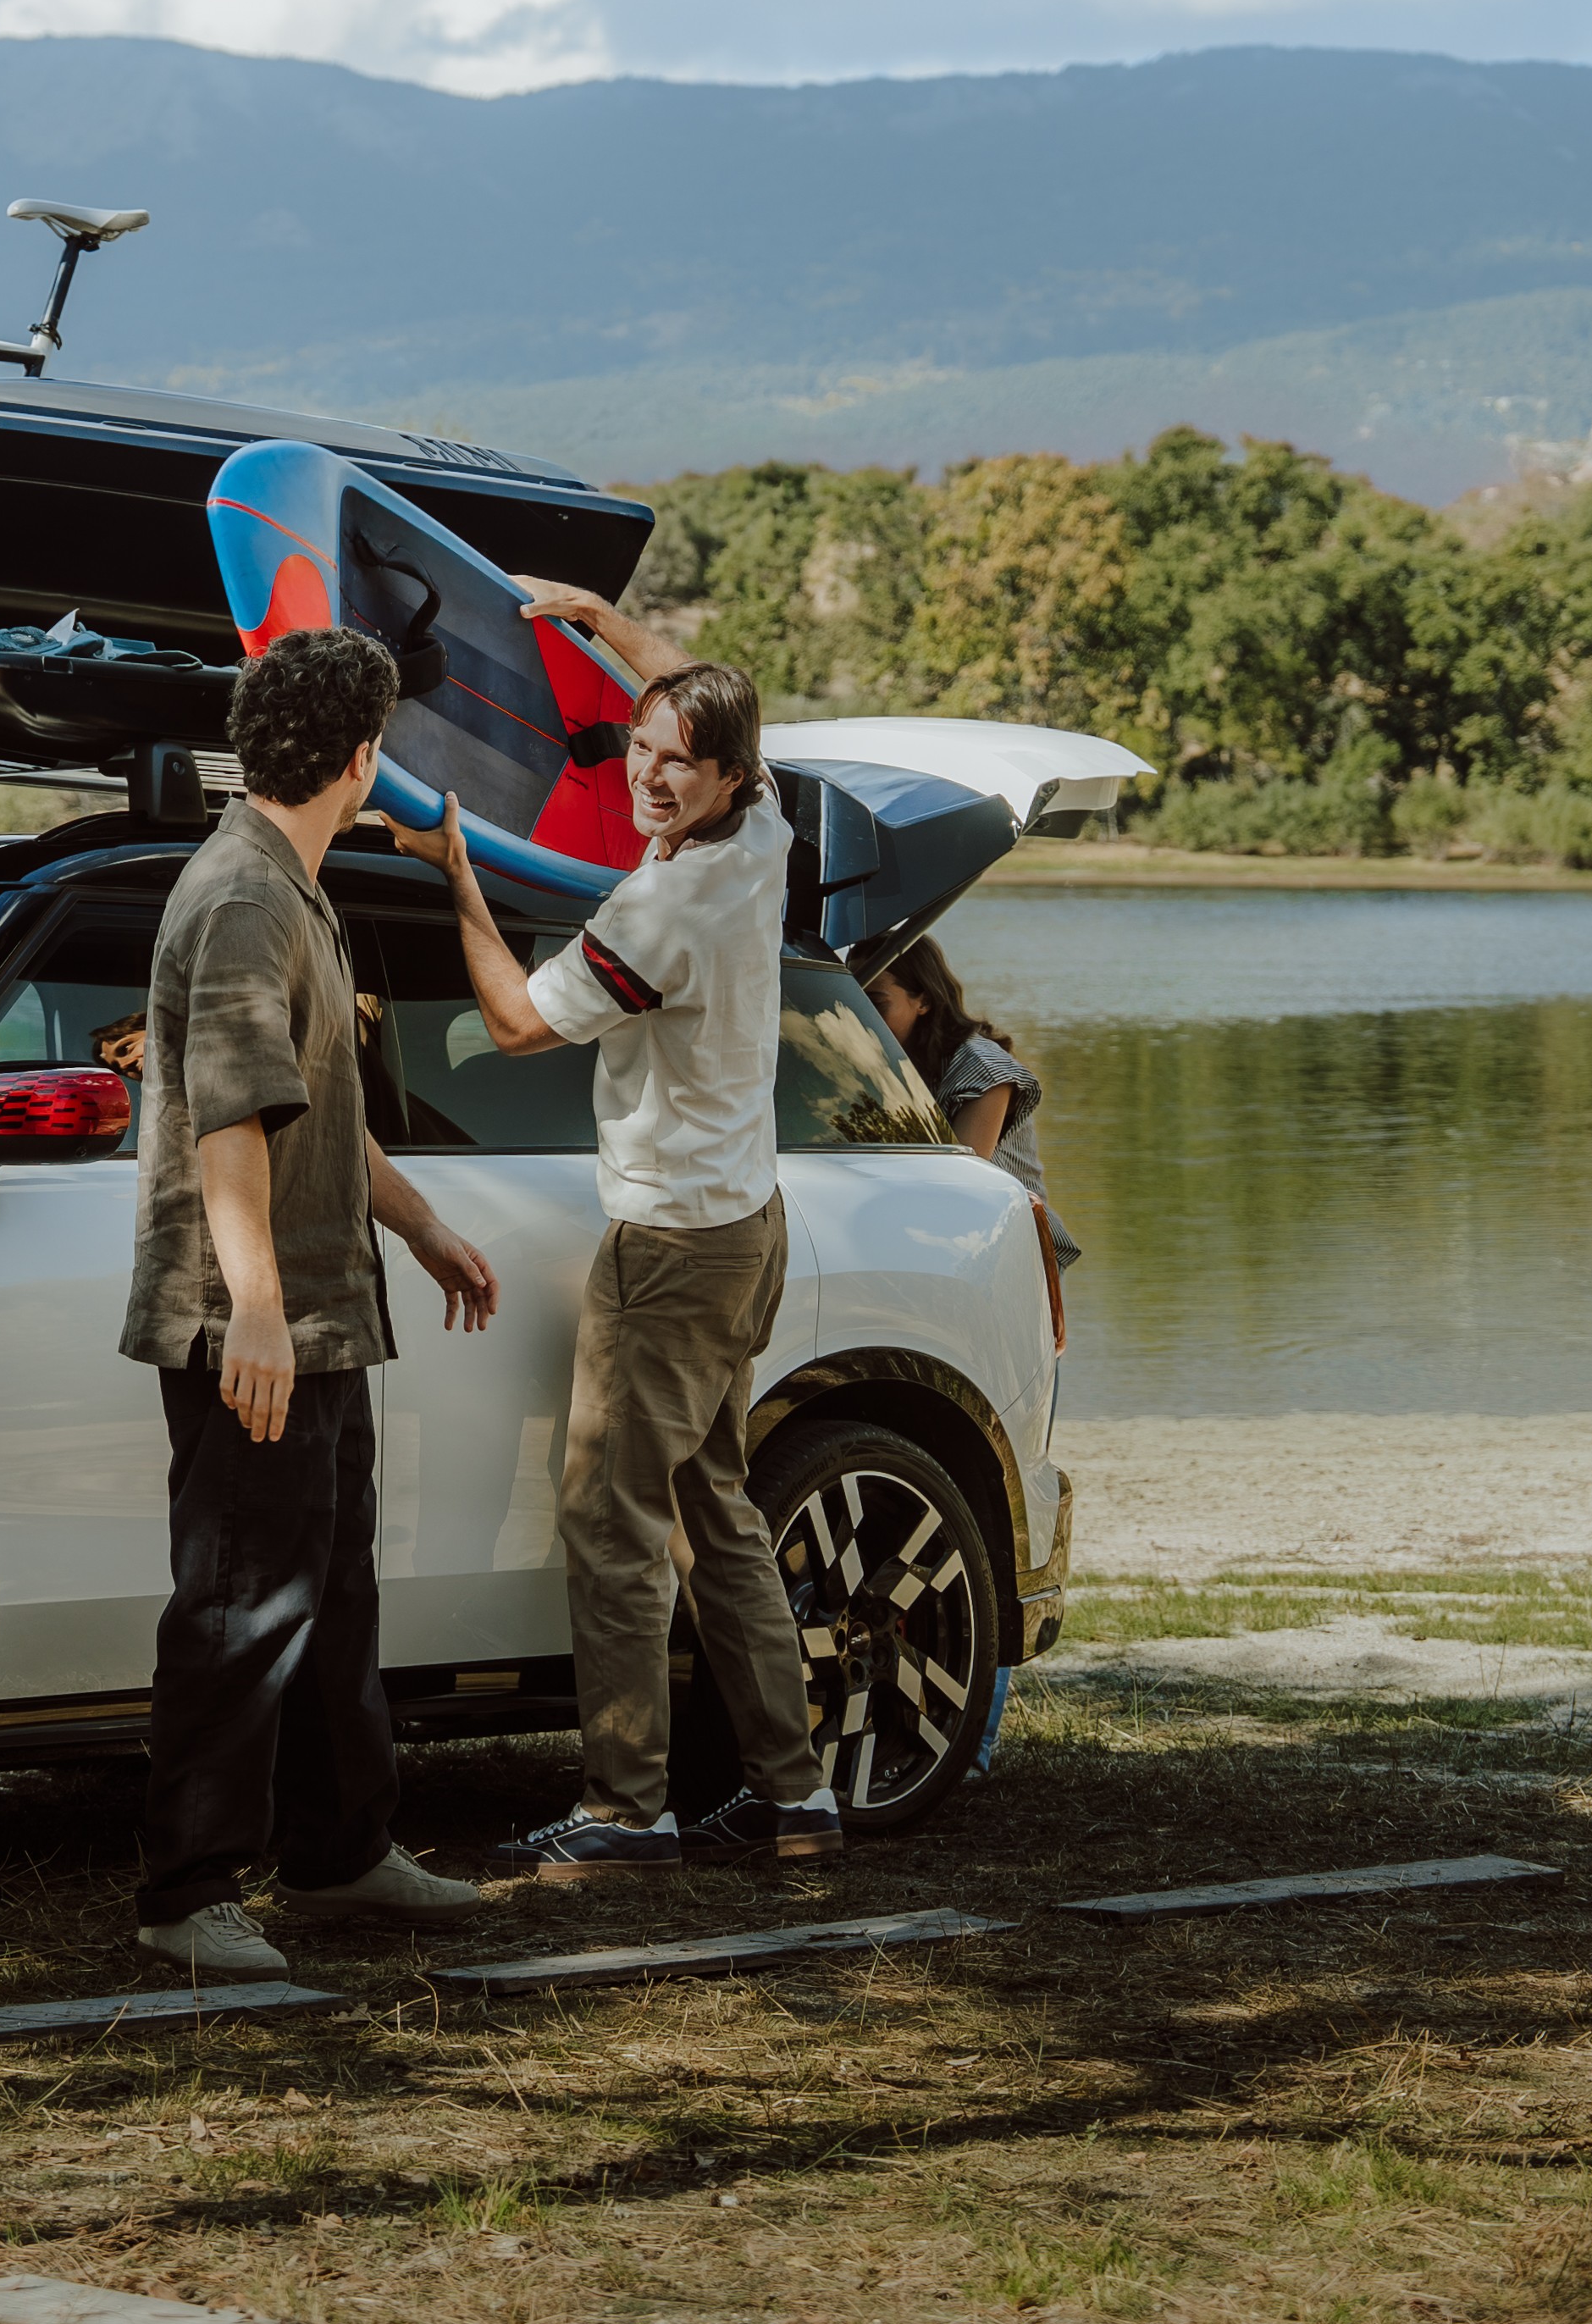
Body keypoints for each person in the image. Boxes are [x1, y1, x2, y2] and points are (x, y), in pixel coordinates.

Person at [393, 578, 837, 1881]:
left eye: (673, 769)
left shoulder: (665, 909)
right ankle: (791, 1797)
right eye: (638, 752)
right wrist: (593, 615)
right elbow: (695, 679)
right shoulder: (760, 828)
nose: (647, 781)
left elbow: (523, 1025)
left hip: (669, 1253)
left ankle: (623, 1810)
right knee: (716, 1505)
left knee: (608, 1520)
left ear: (723, 778)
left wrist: (460, 880)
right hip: (742, 1224)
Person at [126, 624, 507, 1972]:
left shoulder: (295, 885)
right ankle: (186, 1894)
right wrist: (258, 1313)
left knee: (330, 1592)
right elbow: (229, 1121)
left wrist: (425, 1228)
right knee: (239, 1601)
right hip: (255, 1320)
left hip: (323, 1306)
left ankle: (340, 1856)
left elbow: (320, 1117)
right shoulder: (241, 896)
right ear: (361, 759)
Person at [871, 935, 1081, 1342]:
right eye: (854, 1001)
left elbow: (963, 1185)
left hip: (1006, 1252)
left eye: (876, 1004)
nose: (863, 1018)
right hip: (936, 1244)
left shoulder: (984, 1069)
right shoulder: (881, 1058)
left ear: (924, 1000)